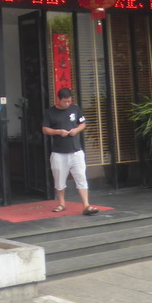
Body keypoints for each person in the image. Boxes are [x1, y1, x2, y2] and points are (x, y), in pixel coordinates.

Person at [42, 87, 99, 215]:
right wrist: (58, 132)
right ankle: (61, 203)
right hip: (58, 152)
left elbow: (82, 124)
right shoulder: (50, 112)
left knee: (81, 177)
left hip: (76, 150)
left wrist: (76, 130)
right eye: (65, 101)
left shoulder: (75, 109)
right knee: (59, 179)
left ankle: (86, 205)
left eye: (69, 101)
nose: (67, 104)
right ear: (58, 99)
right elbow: (45, 129)